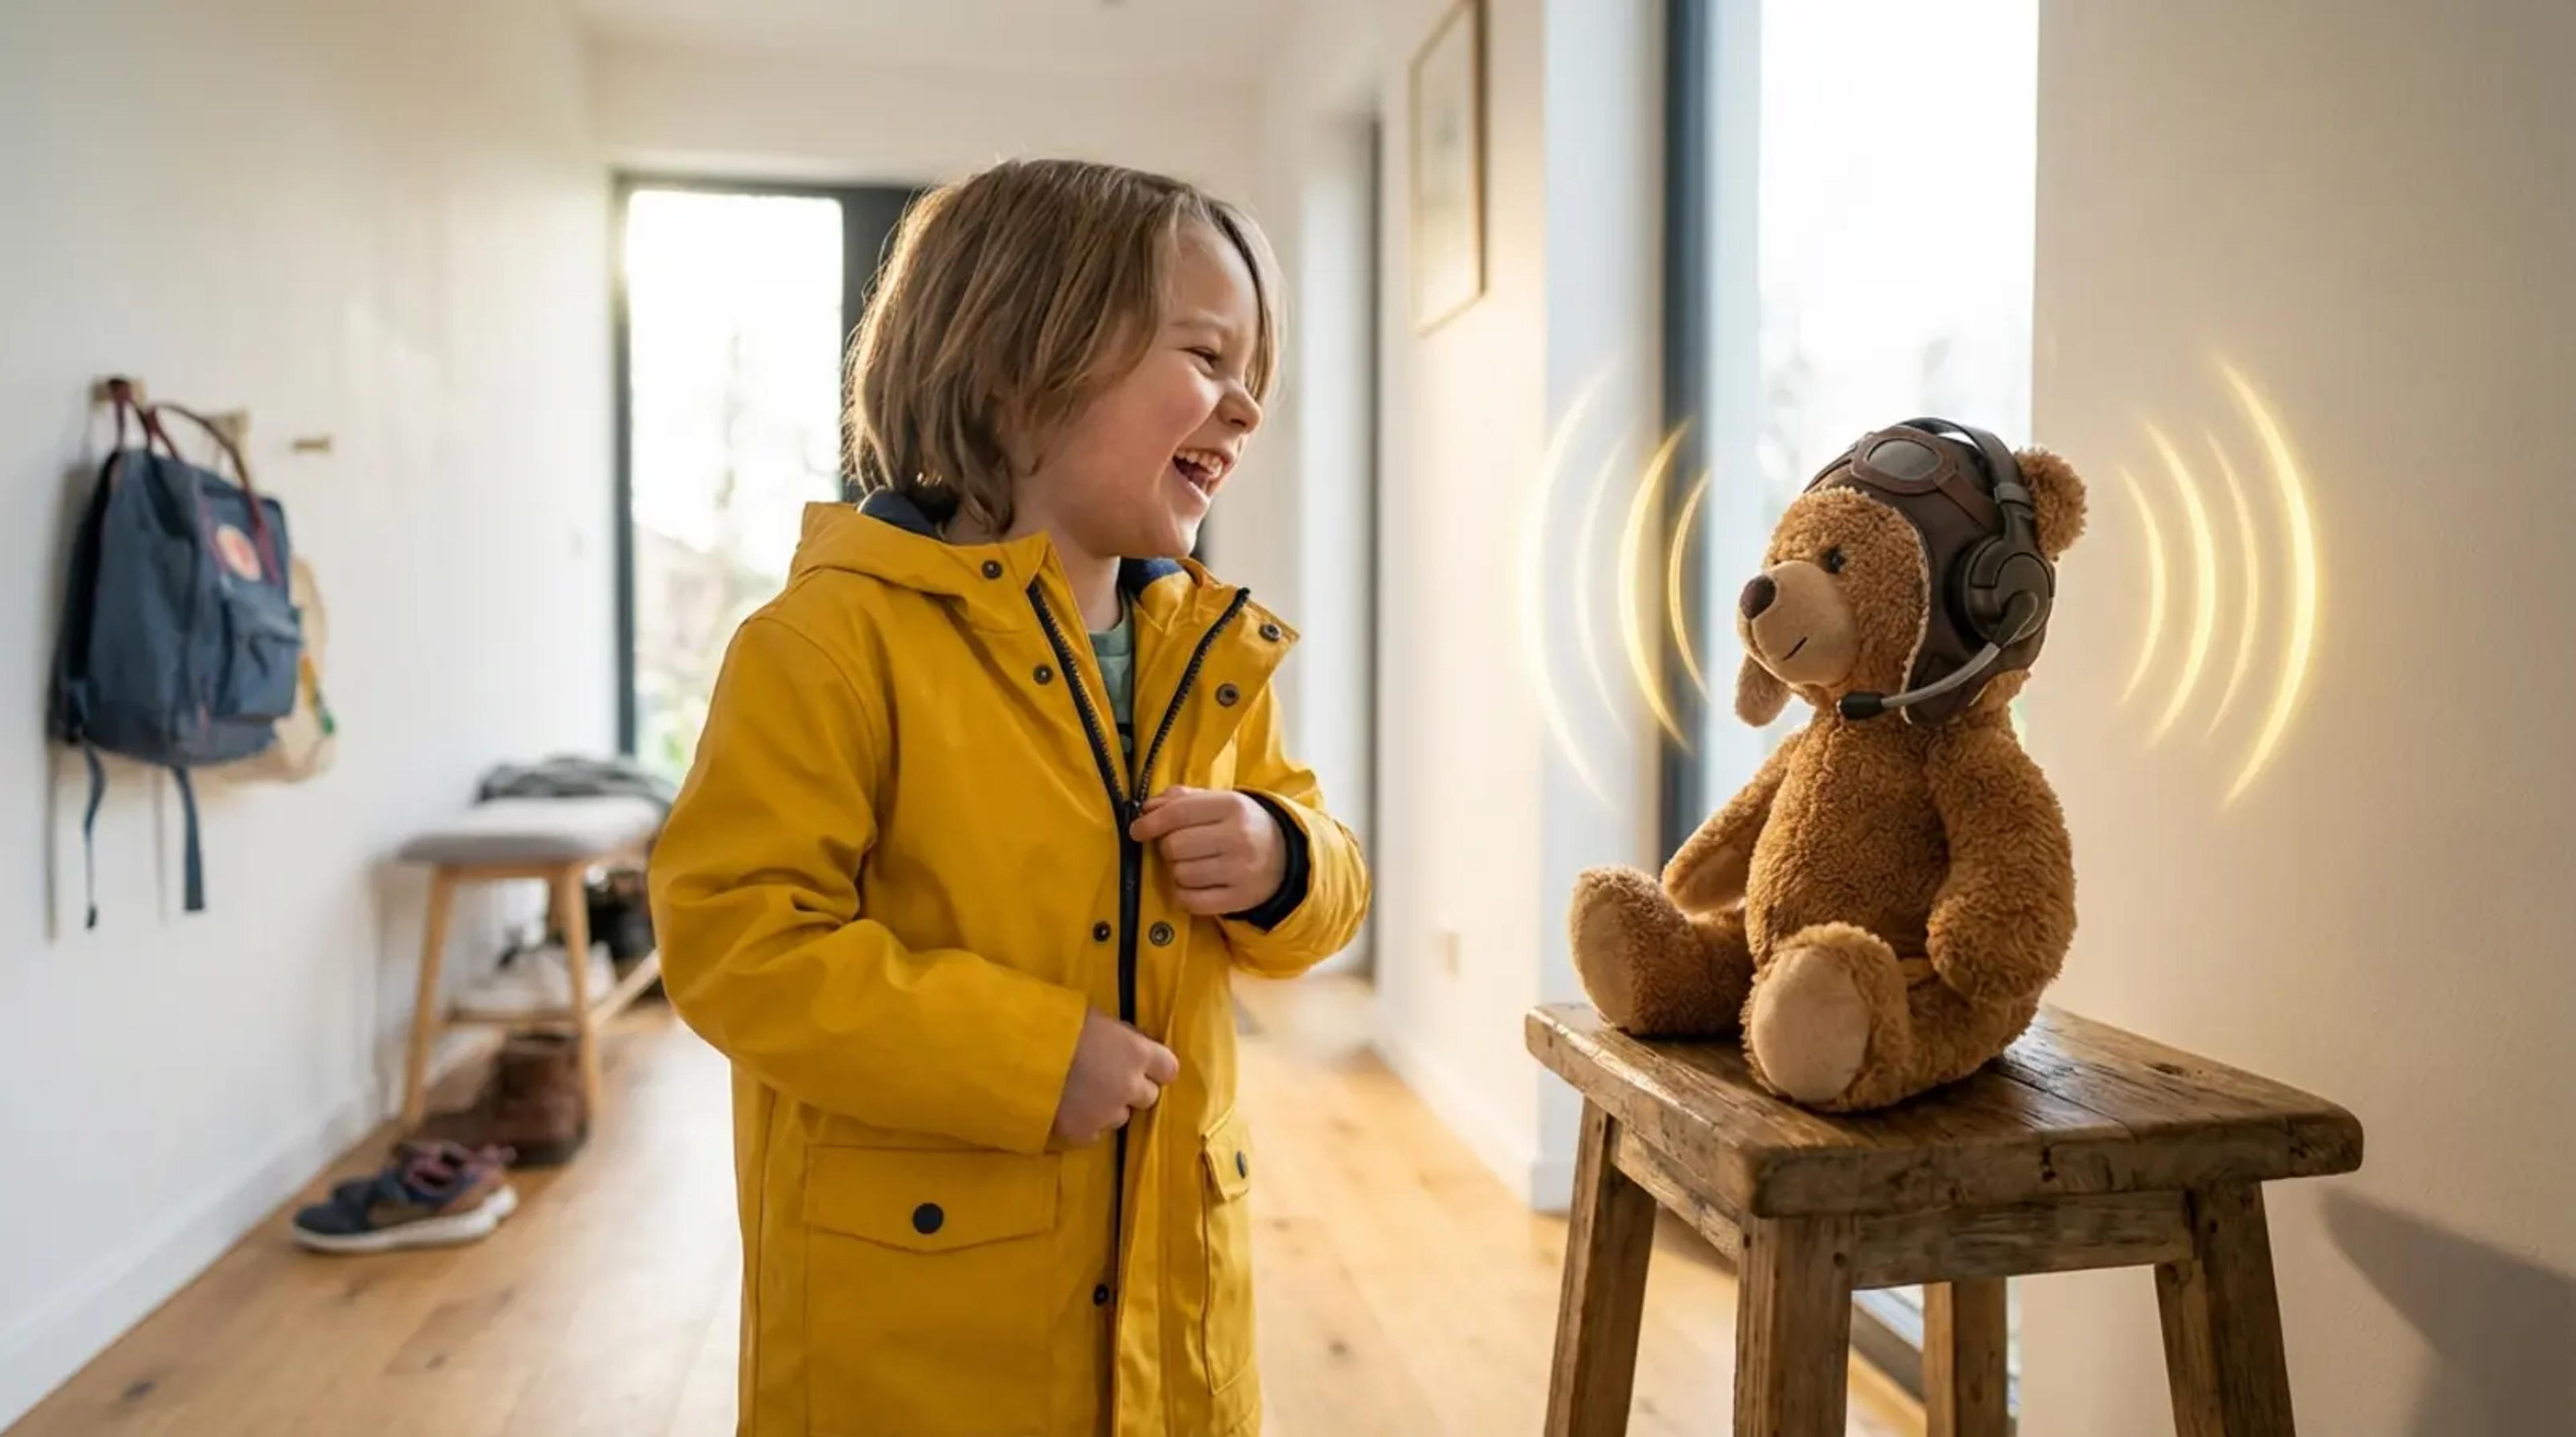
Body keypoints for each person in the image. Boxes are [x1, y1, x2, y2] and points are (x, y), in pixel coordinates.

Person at [649, 157, 1372, 1437]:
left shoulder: (1205, 651)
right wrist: (1026, 1058)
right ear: (1017, 365)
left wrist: (1286, 856)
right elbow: (735, 942)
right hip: (915, 1336)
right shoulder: (828, 644)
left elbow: (1327, 888)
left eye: (1253, 371)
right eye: (1207, 357)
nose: (1247, 407)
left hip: (1176, 1307)